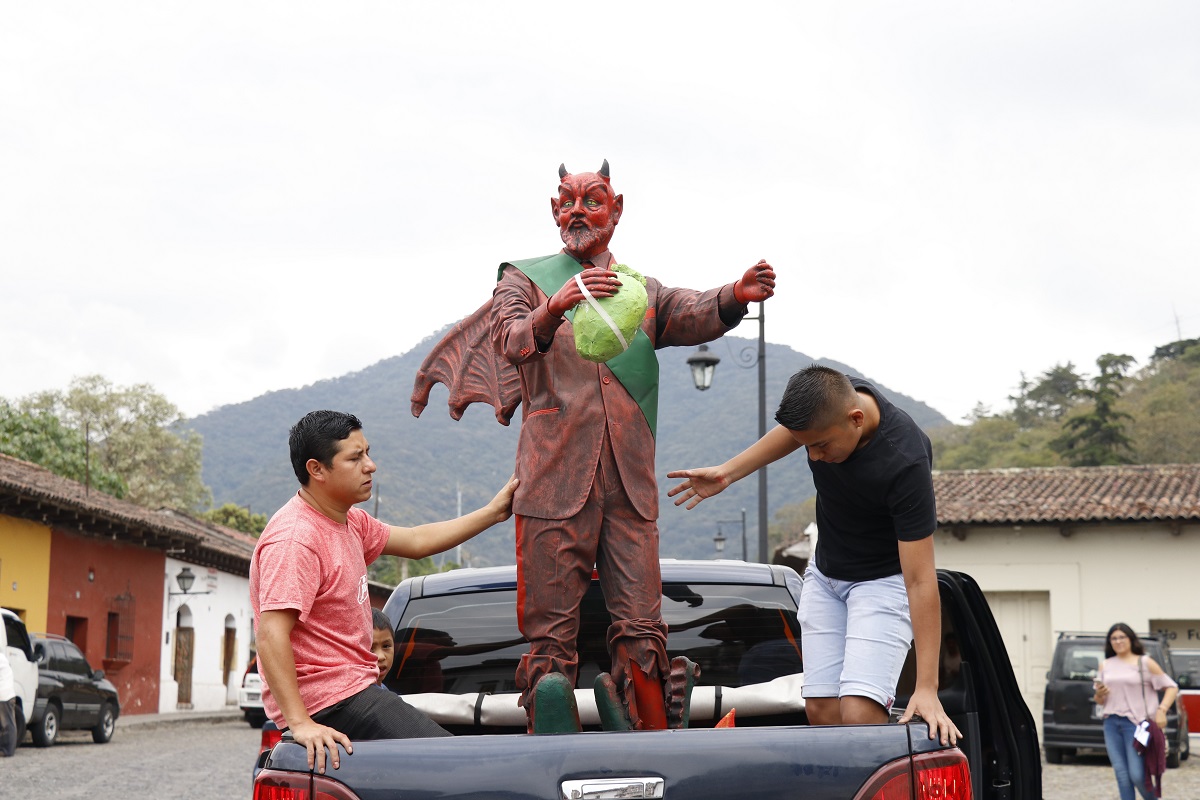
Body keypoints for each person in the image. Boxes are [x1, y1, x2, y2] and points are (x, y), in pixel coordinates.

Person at [488, 160, 775, 731]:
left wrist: (732, 296)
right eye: (567, 202)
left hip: (629, 485)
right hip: (552, 481)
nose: (578, 211)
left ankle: (649, 743)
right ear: (553, 211)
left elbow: (687, 310)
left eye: (593, 201)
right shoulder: (523, 280)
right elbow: (510, 339)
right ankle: (550, 751)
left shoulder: (638, 289)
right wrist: (555, 306)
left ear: (616, 210)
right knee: (549, 638)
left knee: (644, 630)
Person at [667, 365, 960, 745]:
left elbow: (921, 580)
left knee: (858, 713)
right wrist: (727, 474)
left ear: (856, 420)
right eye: (807, 447)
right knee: (820, 709)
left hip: (882, 583)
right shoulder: (828, 403)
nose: (815, 456)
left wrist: (927, 687)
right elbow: (796, 434)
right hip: (825, 576)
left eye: (821, 446)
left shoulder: (905, 461)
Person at [249, 409, 518, 774]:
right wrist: (300, 723)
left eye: (367, 453)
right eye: (355, 458)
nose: (370, 466)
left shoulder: (349, 520)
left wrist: (493, 512)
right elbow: (270, 634)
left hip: (357, 690)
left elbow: (417, 539)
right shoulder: (296, 539)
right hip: (331, 702)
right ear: (317, 469)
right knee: (463, 766)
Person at [1094, 623, 1178, 800]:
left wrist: (1162, 709)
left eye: (1122, 637)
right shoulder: (1105, 665)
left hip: (1136, 725)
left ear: (1131, 639)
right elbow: (1100, 700)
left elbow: (1171, 687)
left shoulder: (1144, 662)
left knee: (1137, 775)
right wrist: (1099, 694)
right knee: (1121, 775)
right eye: (1114, 638)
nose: (1118, 641)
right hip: (1111, 723)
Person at [0, 625, 16, 758]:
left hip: (4, 696)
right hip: (7, 694)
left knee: (7, 725)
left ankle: (7, 751)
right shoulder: (3, 658)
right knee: (7, 724)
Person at [370, 609, 396, 687]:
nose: (381, 657)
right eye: (371, 649)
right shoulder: (358, 697)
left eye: (386, 646)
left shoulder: (384, 690)